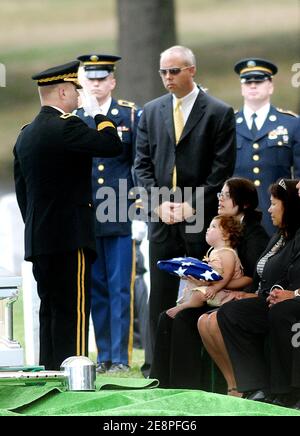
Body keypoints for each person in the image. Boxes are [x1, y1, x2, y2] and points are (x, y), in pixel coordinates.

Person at [13, 61, 122, 370]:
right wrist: (98, 111)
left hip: (40, 237)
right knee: (73, 309)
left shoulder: (26, 134)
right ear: (62, 90)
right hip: (70, 235)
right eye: (76, 90)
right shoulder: (67, 126)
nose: (79, 96)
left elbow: (24, 194)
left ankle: (49, 371)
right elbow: (111, 145)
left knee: (49, 309)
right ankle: (72, 374)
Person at [134, 45, 236, 353]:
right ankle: (158, 363)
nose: (167, 77)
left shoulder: (218, 111)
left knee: (202, 288)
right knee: (161, 292)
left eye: (174, 71)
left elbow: (222, 167)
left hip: (200, 216)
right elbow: (141, 163)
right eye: (163, 72)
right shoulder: (151, 111)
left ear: (191, 70)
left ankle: (201, 362)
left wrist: (194, 203)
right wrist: (158, 202)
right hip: (162, 216)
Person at [149, 177, 269, 388]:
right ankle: (160, 383)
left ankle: (187, 388)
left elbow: (252, 276)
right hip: (214, 292)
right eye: (220, 194)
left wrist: (214, 285)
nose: (220, 200)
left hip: (234, 298)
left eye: (227, 195)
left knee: (185, 318)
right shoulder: (219, 223)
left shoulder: (254, 233)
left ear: (245, 203)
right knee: (165, 317)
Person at [199, 179, 300, 408]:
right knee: (223, 313)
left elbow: (287, 276)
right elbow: (265, 276)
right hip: (267, 297)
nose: (270, 209)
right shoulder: (278, 237)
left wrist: (290, 294)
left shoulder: (286, 237)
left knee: (253, 312)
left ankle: (273, 389)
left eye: (274, 204)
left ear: (290, 206)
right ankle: (247, 385)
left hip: (282, 301)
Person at [75, 54, 142, 373]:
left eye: (102, 78)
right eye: (91, 79)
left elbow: (138, 162)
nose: (97, 84)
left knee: (120, 287)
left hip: (118, 211)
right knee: (96, 287)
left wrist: (138, 204)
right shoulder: (74, 117)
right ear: (82, 82)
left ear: (112, 81)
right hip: (87, 213)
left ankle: (122, 357)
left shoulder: (129, 113)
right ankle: (103, 356)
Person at [232, 57, 300, 235]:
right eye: (247, 82)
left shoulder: (291, 124)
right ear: (242, 88)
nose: (253, 86)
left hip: (278, 213)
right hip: (237, 217)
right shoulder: (227, 125)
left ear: (270, 86)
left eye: (259, 81)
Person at [166, 215, 244, 319]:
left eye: (213, 226)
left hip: (226, 290)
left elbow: (228, 274)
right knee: (191, 285)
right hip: (216, 286)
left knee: (199, 294)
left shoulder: (227, 252)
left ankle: (186, 306)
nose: (208, 229)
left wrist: (215, 288)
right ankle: (185, 303)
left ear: (226, 235)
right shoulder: (213, 250)